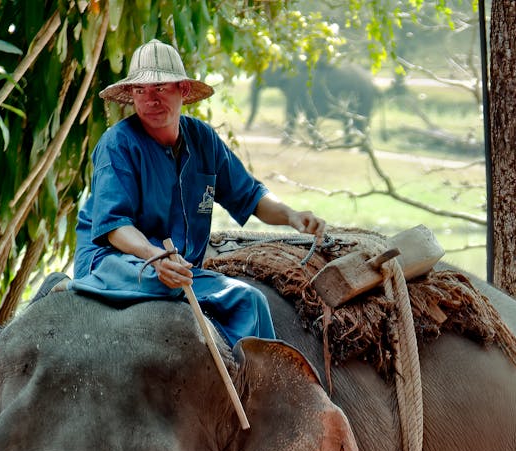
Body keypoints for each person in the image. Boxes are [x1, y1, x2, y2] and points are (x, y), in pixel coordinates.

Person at [68, 39, 327, 347]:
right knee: (160, 284)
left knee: (251, 300)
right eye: (140, 90)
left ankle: (257, 388)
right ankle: (69, 289)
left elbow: (250, 195)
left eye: (160, 88)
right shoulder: (117, 144)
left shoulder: (203, 139)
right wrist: (156, 257)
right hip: (118, 263)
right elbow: (115, 227)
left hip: (180, 272)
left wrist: (291, 215)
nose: (149, 99)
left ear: (184, 91)